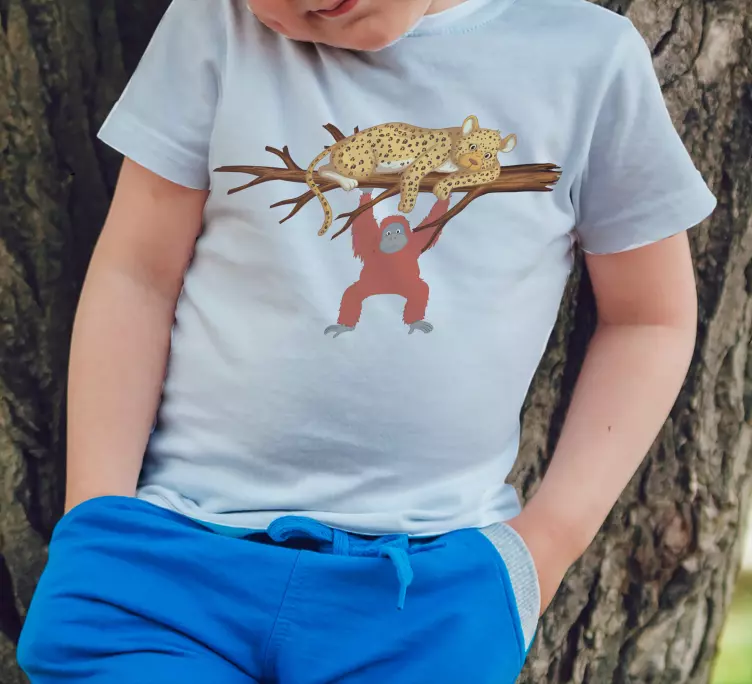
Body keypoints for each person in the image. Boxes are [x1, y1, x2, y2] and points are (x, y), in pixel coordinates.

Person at [16, 0, 717, 682]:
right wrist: (95, 516)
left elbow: (647, 318)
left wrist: (547, 545)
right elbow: (139, 274)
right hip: (168, 570)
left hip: (426, 596)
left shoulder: (586, 58)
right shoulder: (213, 22)